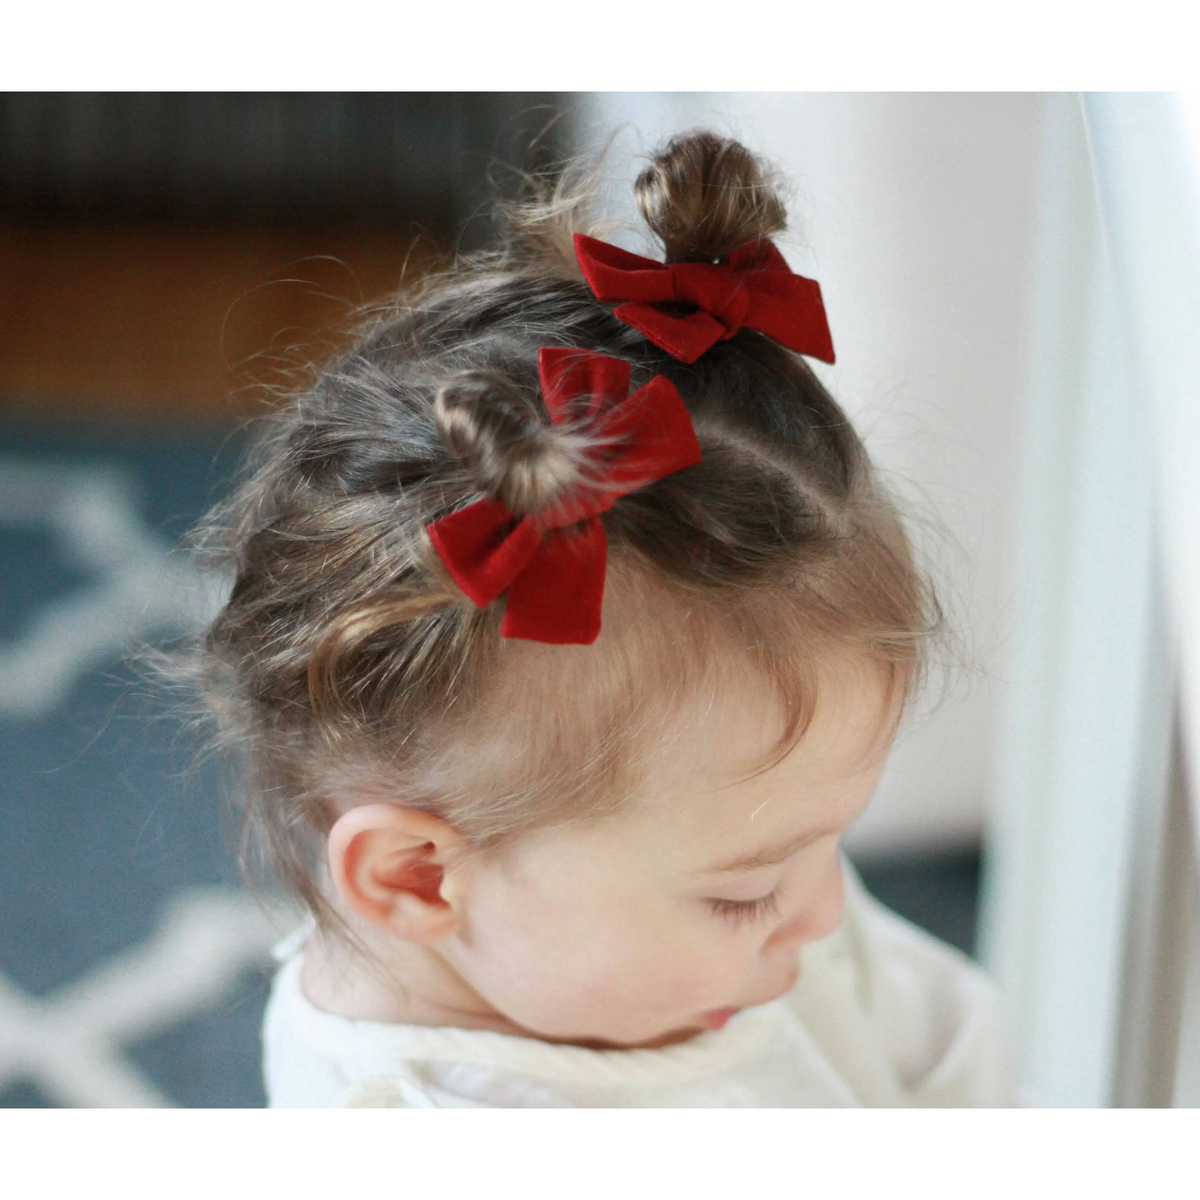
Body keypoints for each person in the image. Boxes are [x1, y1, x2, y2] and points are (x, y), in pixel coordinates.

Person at [193, 130, 1014, 1107]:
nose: (826, 913)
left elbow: (952, 1054)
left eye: (829, 842)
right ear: (418, 879)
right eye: (741, 896)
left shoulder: (763, 886)